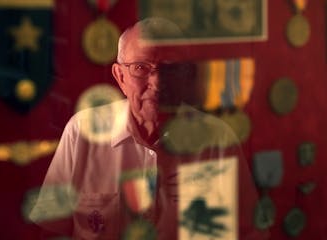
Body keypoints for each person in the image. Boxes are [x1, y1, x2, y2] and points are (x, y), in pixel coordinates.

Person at [29, 18, 264, 240]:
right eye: (141, 68)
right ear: (120, 77)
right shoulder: (82, 131)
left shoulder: (218, 141)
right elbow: (51, 230)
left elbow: (249, 235)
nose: (158, 82)